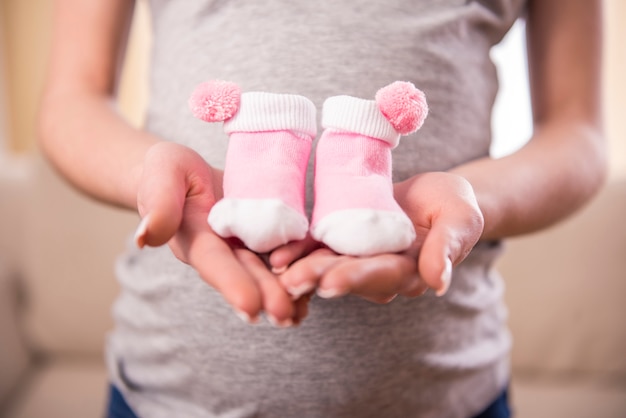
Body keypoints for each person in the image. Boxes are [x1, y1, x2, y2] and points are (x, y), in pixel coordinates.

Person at [38, 0, 605, 417]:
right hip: (166, 392)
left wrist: (474, 202)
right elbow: (73, 98)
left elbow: (577, 131)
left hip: (449, 390)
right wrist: (153, 179)